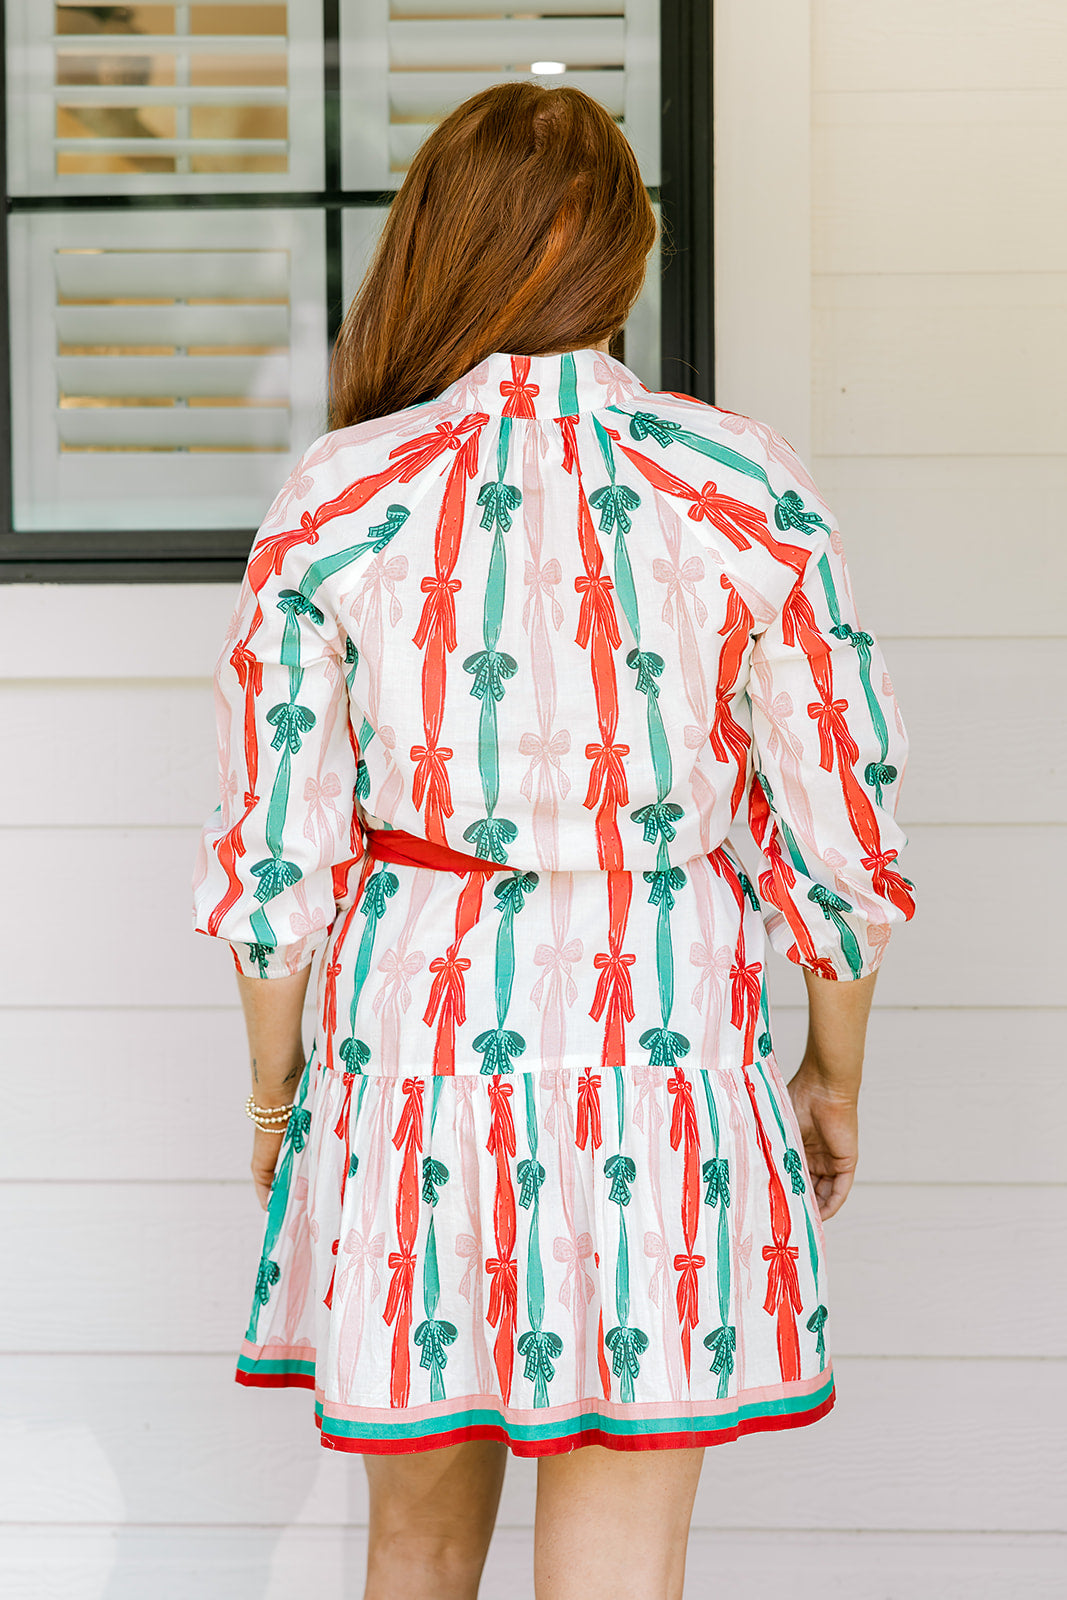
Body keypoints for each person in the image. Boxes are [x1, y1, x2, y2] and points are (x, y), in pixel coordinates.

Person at [192, 81, 915, 1600]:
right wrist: (834, 1068)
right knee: (620, 1569)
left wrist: (277, 1096)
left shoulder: (338, 494)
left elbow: (276, 859)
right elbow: (839, 832)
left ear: (435, 251)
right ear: (629, 258)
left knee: (413, 1551)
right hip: (661, 1051)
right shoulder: (743, 481)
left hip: (410, 1055)